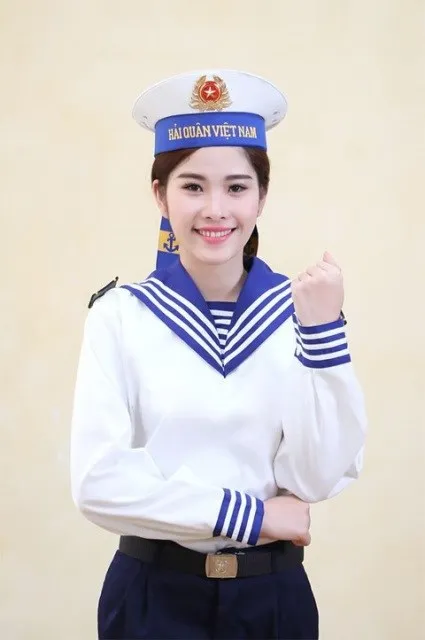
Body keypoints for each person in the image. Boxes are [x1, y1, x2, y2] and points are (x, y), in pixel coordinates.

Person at [70, 69, 367, 640]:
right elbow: (98, 483)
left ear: (261, 197)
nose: (215, 209)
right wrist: (254, 515)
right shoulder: (120, 316)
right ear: (160, 195)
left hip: (273, 598)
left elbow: (316, 476)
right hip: (152, 597)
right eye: (192, 186)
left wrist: (323, 332)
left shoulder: (299, 311)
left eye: (236, 187)